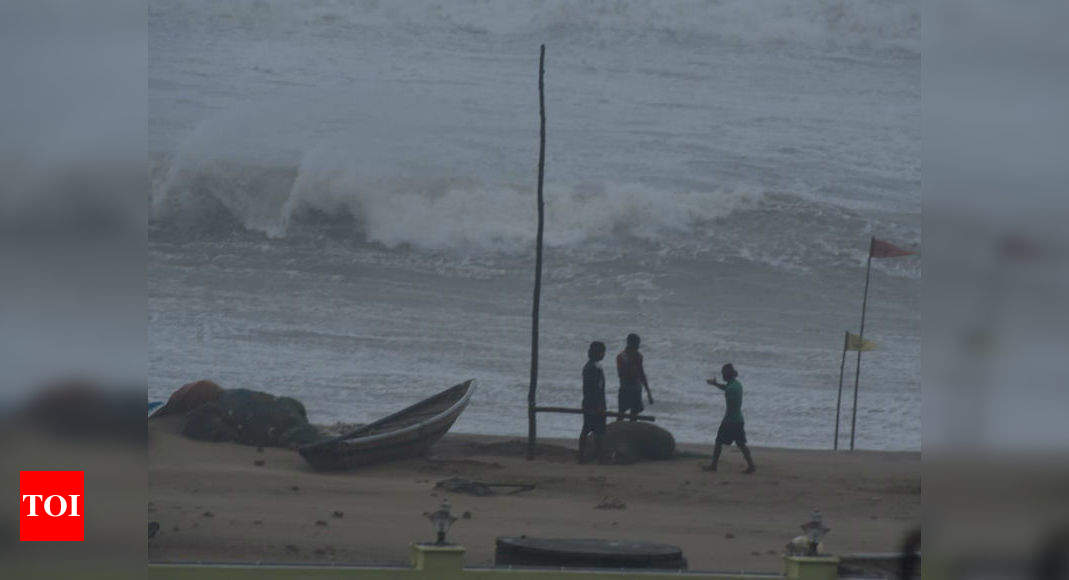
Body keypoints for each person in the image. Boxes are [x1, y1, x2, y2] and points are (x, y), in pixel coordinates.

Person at [704, 363, 756, 473]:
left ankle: (714, 465)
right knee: (741, 444)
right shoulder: (737, 384)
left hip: (730, 420)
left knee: (719, 441)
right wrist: (715, 384)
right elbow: (726, 387)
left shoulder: (731, 388)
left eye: (723, 374)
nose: (722, 375)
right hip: (739, 419)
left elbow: (730, 403)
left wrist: (726, 419)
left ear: (727, 375)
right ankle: (751, 465)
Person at [579, 341, 607, 464]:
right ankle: (598, 457)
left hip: (590, 402)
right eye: (602, 352)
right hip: (593, 403)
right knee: (597, 431)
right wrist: (599, 405)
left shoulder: (592, 366)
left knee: (590, 428)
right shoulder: (593, 368)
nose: (603, 354)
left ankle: (585, 456)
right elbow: (595, 389)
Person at [615, 333, 653, 421]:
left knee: (634, 414)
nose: (637, 346)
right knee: (621, 414)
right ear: (630, 343)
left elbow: (642, 374)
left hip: (635, 388)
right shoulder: (622, 357)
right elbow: (622, 374)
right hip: (626, 388)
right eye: (636, 344)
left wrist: (648, 393)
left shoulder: (638, 356)